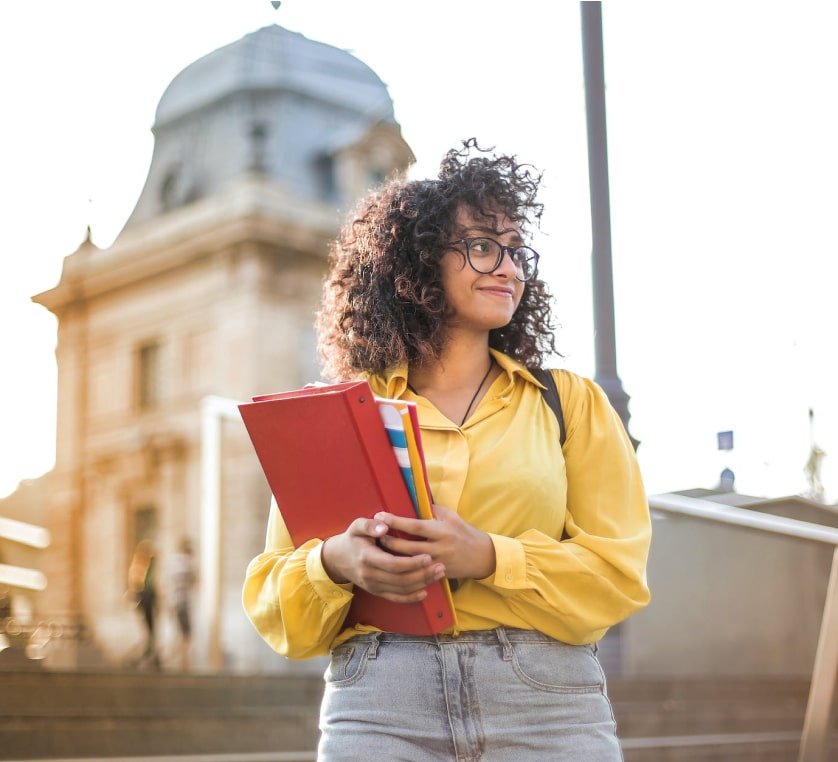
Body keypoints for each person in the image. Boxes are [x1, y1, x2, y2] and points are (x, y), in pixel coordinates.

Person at [243, 139, 652, 760]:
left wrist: (489, 556)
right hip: (379, 702)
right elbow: (276, 600)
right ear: (417, 261)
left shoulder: (570, 403)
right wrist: (335, 563)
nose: (510, 267)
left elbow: (618, 576)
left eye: (516, 251)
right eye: (483, 245)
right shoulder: (343, 414)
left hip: (545, 704)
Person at [128, 538, 159, 669]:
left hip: (147, 600)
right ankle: (148, 655)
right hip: (145, 600)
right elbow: (137, 585)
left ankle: (152, 655)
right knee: (148, 629)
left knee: (150, 629)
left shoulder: (147, 566)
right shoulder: (140, 566)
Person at [169, 536, 197, 670]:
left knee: (181, 633)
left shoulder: (174, 562)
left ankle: (181, 660)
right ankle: (183, 662)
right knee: (186, 634)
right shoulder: (185, 563)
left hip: (175, 602)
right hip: (182, 602)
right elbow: (193, 580)